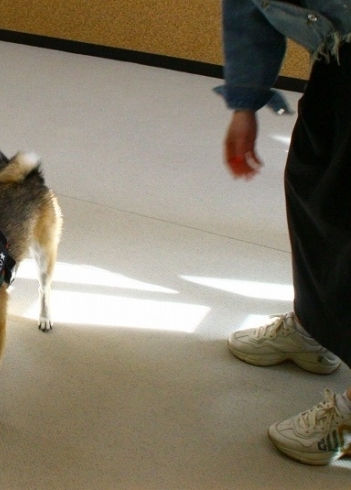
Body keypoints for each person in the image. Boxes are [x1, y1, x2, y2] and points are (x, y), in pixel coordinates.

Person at [219, 0, 351, 465]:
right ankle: (318, 328)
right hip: (340, 54)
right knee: (314, 184)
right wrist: (245, 103)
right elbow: (246, 7)